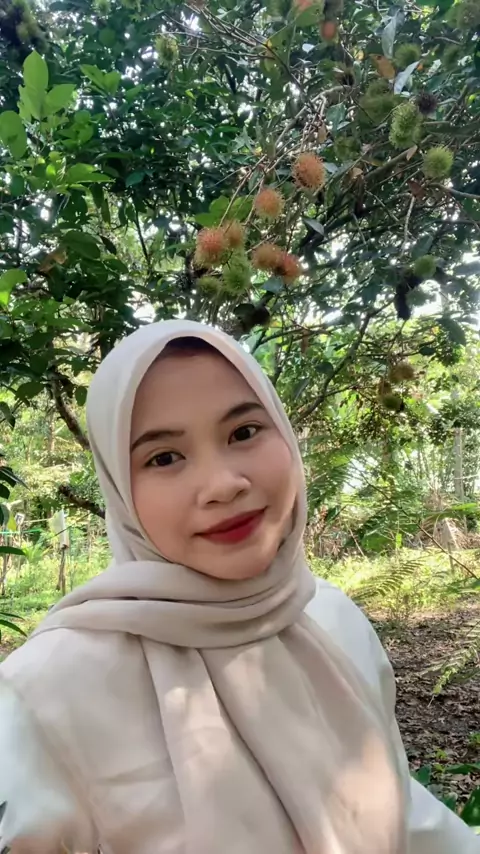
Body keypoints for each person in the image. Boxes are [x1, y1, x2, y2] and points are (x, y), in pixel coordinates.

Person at [0, 319, 478, 854]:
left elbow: (403, 815)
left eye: (244, 432)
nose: (224, 485)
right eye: (164, 458)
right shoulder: (49, 691)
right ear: (118, 486)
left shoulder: (332, 617)